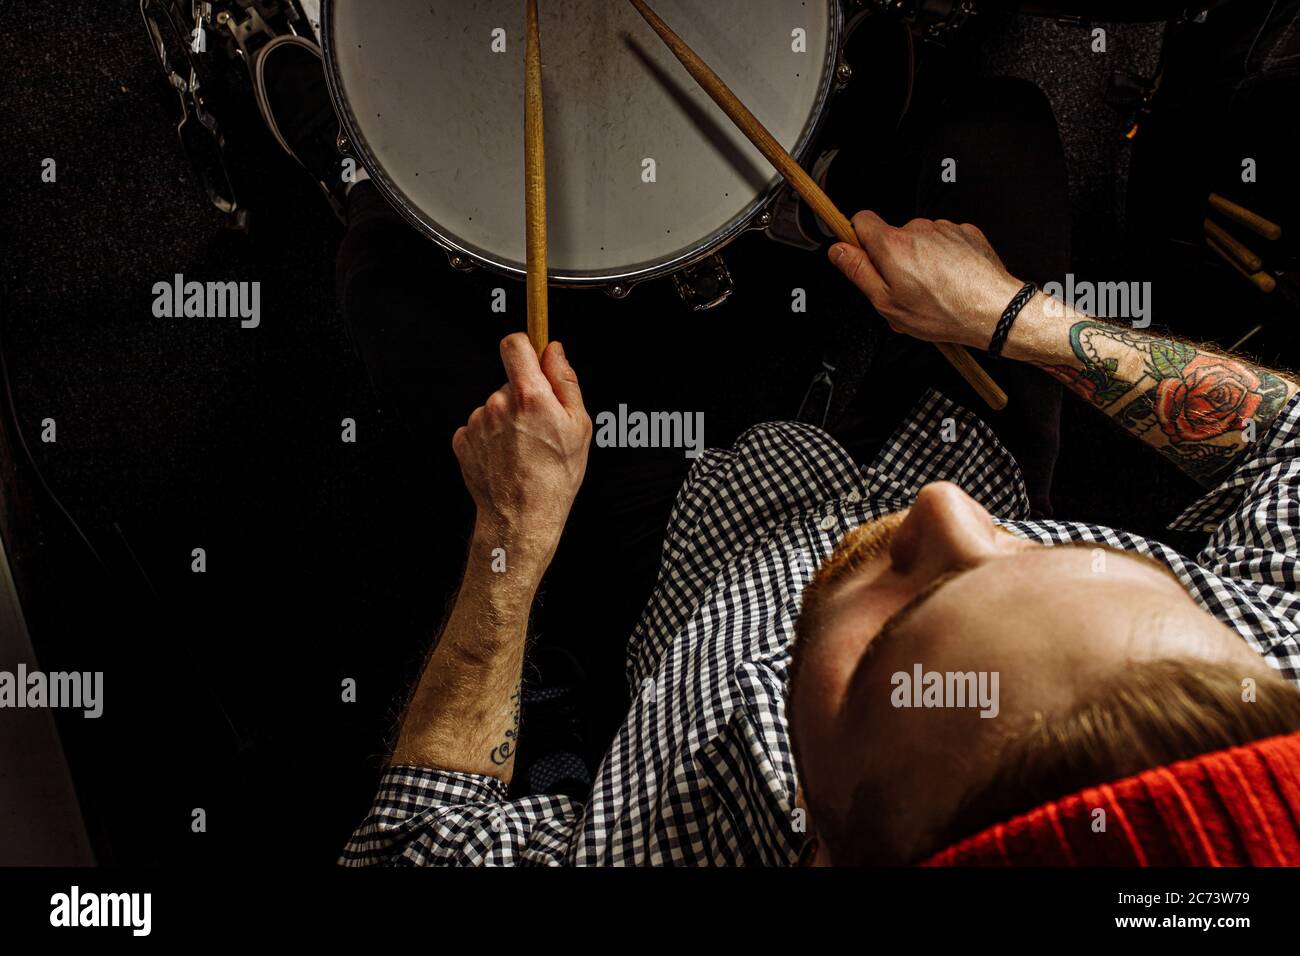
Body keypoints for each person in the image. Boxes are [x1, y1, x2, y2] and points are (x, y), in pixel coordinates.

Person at [250, 33, 1300, 866]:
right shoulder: (1263, 676)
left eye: (901, 641)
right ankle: (808, 194)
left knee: (383, 277)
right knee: (997, 128)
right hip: (946, 429)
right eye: (1052, 561)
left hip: (686, 553)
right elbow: (1290, 432)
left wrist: (511, 541)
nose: (945, 516)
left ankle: (353, 172)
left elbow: (410, 847)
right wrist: (1013, 316)